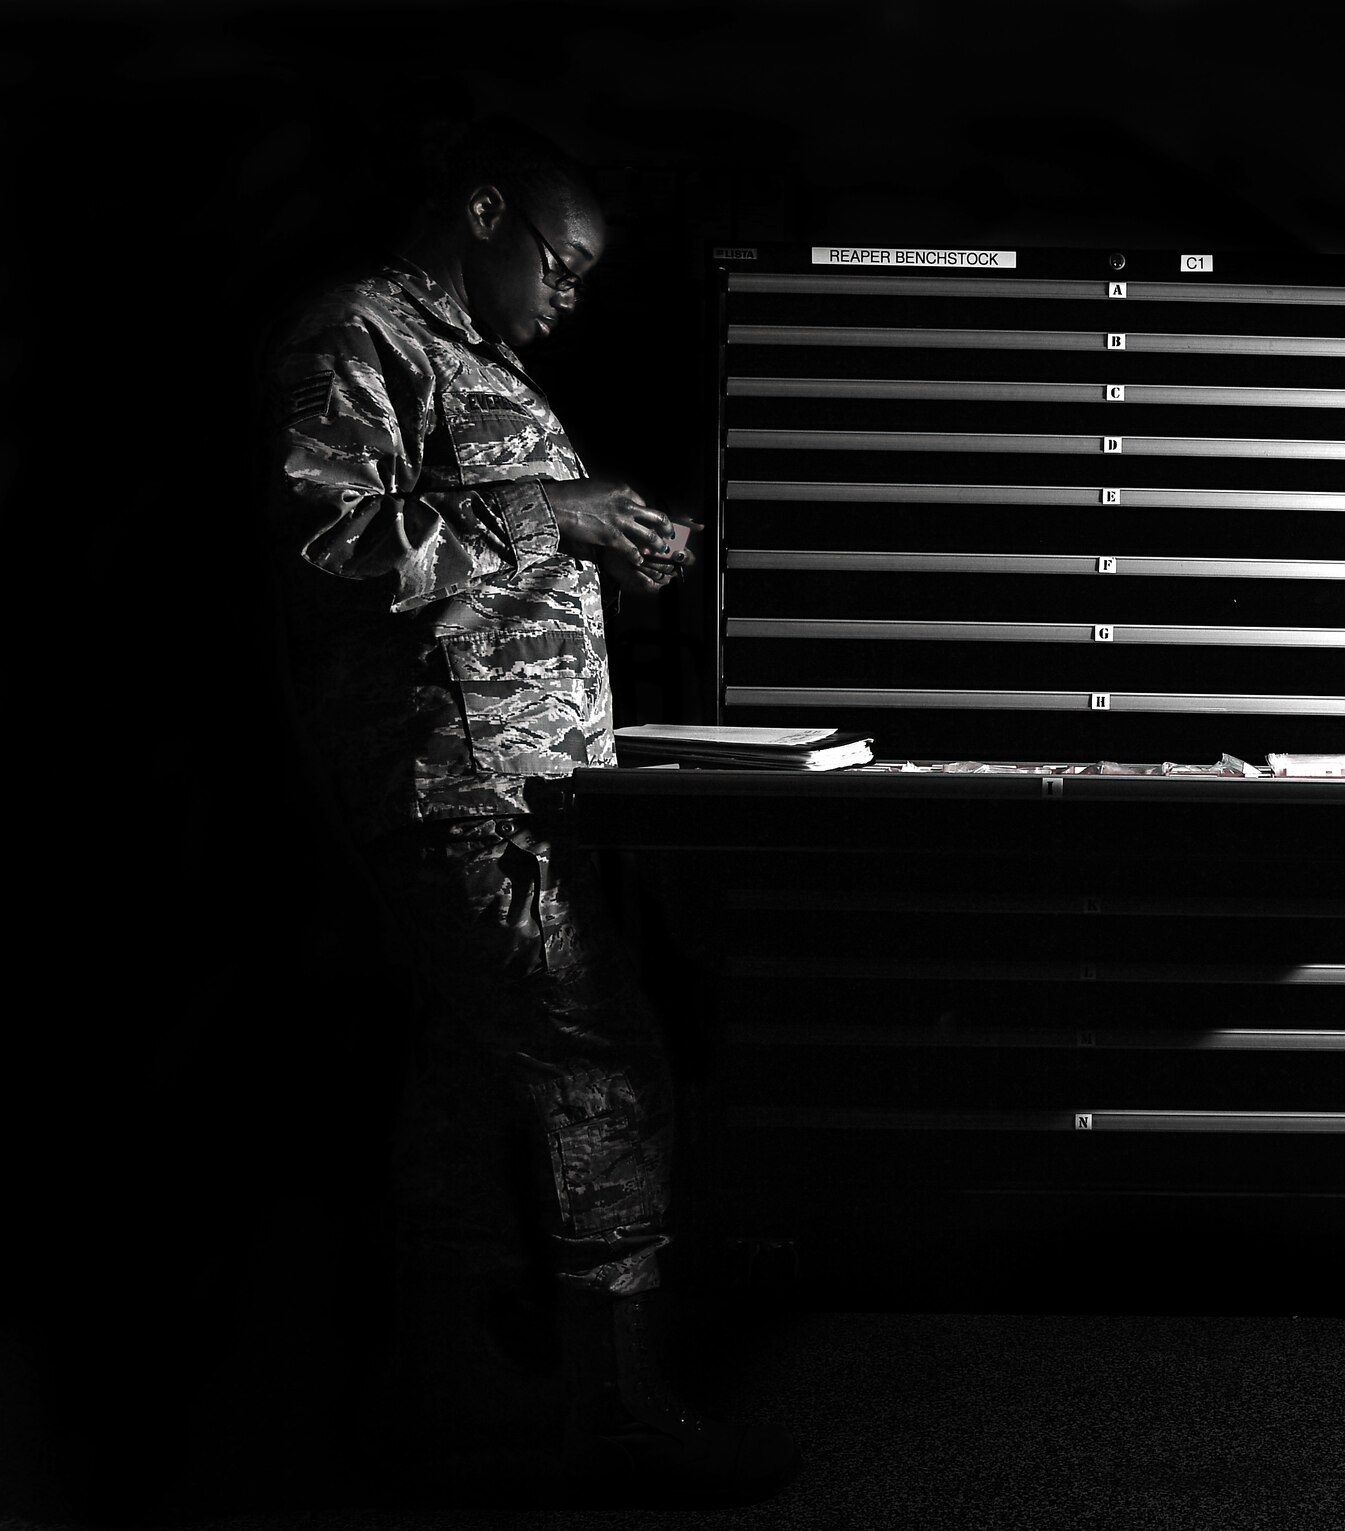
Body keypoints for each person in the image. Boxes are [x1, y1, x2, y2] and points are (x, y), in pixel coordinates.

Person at [267, 116, 797, 1508]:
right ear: (486, 213)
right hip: (455, 792)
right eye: (558, 265)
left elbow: (491, 556)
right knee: (598, 1060)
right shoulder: (364, 333)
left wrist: (606, 540)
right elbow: (324, 543)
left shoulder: (477, 365)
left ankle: (435, 1411)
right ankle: (613, 1410)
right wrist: (547, 516)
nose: (567, 298)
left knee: (469, 1079)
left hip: (518, 789)